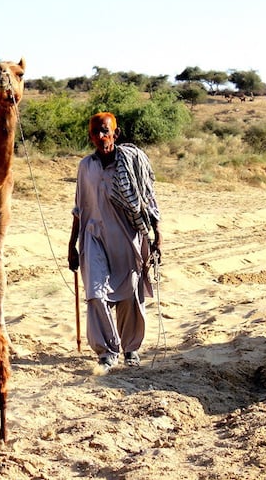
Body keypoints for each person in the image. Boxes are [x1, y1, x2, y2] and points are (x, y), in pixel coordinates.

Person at [68, 112, 161, 373]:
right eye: (95, 132)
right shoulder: (85, 166)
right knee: (96, 294)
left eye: (104, 131)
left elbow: (148, 203)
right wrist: (71, 246)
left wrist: (157, 239)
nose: (100, 136)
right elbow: (79, 208)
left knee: (130, 294)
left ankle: (130, 347)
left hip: (127, 237)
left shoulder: (131, 163)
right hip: (93, 237)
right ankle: (107, 351)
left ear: (115, 134)